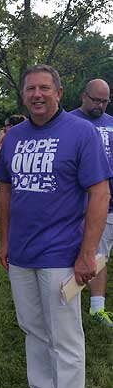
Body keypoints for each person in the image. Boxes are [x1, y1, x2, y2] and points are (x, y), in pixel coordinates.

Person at [0, 65, 111, 388]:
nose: (37, 94)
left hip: (62, 253)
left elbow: (99, 193)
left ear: (60, 93)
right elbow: (5, 190)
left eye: (45, 88)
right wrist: (5, 241)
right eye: (31, 89)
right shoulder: (14, 137)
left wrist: (88, 253)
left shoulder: (82, 133)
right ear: (24, 95)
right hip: (23, 254)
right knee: (32, 327)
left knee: (65, 336)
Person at [70, 79, 113, 326]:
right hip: (86, 203)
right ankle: (97, 307)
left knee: (100, 255)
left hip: (111, 198)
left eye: (105, 101)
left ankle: (96, 307)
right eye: (96, 100)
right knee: (95, 254)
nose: (100, 105)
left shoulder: (111, 123)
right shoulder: (69, 122)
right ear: (83, 96)